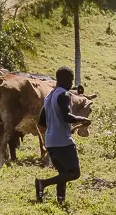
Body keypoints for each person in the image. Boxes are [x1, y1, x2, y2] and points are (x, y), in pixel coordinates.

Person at [35, 67, 90, 205]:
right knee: (74, 173)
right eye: (70, 80)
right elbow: (66, 117)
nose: (71, 84)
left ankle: (61, 200)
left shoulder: (49, 97)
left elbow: (41, 121)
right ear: (64, 80)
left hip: (50, 141)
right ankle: (42, 183)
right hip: (63, 141)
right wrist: (82, 119)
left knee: (63, 173)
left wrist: (55, 125)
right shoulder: (64, 95)